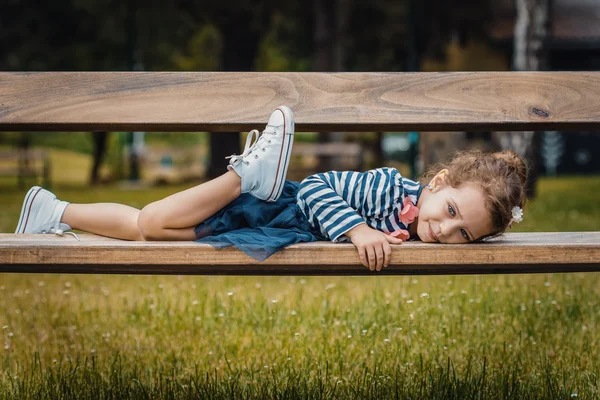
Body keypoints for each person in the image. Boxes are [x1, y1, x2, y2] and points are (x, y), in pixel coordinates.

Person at [15, 106, 527, 271]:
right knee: (150, 223)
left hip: (271, 225)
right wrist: (356, 229)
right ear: (438, 183)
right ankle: (249, 172)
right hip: (272, 208)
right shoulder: (389, 191)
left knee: (143, 228)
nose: (445, 228)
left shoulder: (421, 223)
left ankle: (51, 208)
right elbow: (319, 188)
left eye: (464, 235)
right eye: (452, 209)